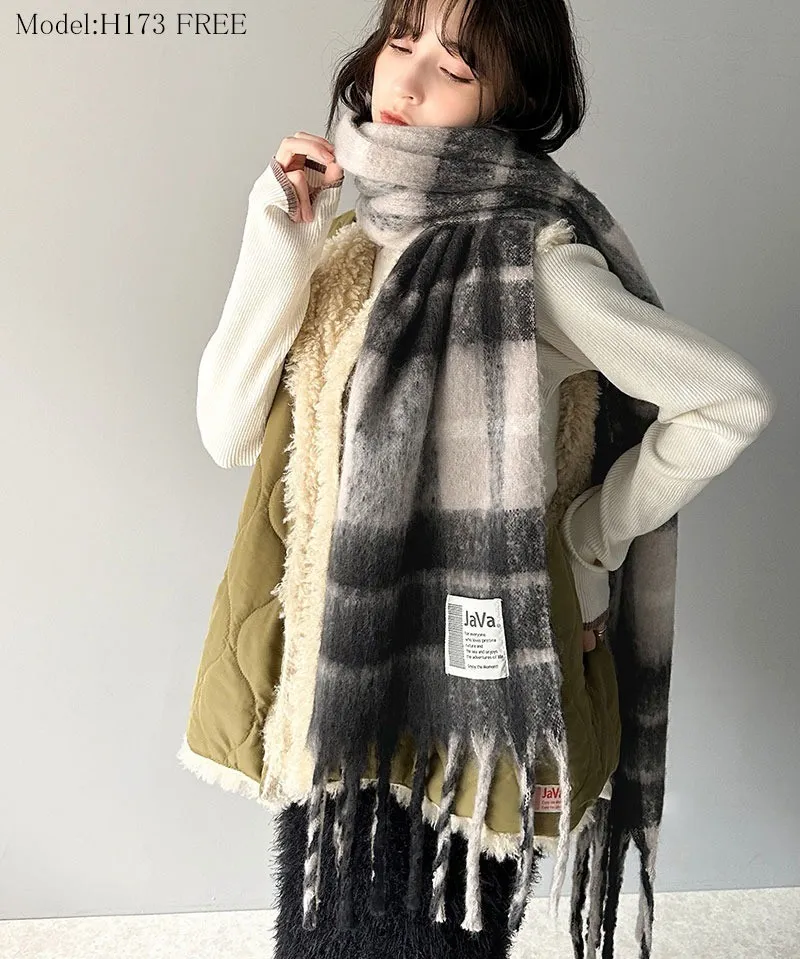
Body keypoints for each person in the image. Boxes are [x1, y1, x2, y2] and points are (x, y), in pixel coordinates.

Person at [181, 0, 777, 956]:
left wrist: (589, 542)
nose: (409, 80)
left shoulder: (535, 267)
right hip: (331, 682)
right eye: (401, 39)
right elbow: (227, 430)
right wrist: (278, 240)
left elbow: (727, 401)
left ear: (511, 99)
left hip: (470, 698)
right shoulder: (345, 249)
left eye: (457, 68)